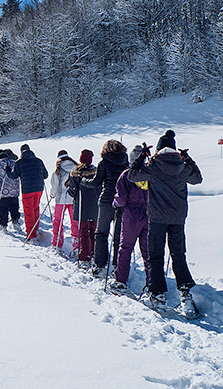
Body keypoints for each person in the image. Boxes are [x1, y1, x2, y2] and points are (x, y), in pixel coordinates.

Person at [127, 130, 202, 313]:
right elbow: (198, 179)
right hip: (177, 218)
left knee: (155, 256)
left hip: (157, 217)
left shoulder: (153, 166)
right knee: (178, 254)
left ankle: (157, 295)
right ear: (176, 150)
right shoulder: (182, 167)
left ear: (158, 149)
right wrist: (188, 159)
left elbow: (132, 175)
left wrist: (141, 157)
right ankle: (185, 295)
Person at [82, 140, 129, 277]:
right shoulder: (126, 163)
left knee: (101, 233)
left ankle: (100, 265)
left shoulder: (104, 162)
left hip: (106, 201)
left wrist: (83, 181)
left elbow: (96, 183)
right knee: (118, 235)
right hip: (122, 202)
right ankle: (117, 265)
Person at [110, 145, 150, 291]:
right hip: (149, 215)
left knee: (125, 248)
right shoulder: (151, 174)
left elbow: (120, 198)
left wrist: (116, 203)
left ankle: (121, 281)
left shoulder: (127, 175)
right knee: (148, 252)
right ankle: (152, 284)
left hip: (131, 215)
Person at [5, 144, 48, 243]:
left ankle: (31, 235)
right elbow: (45, 175)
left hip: (27, 189)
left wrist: (7, 170)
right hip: (39, 188)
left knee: (28, 211)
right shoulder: (39, 161)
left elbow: (13, 176)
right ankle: (36, 229)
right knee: (36, 208)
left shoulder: (19, 162)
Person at [67, 149, 100, 268]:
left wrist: (69, 188)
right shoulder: (96, 172)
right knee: (94, 231)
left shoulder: (75, 173)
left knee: (84, 232)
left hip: (82, 206)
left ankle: (85, 256)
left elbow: (72, 191)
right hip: (95, 206)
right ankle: (94, 253)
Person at [49, 150, 78, 253]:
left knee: (57, 221)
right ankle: (77, 246)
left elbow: (54, 186)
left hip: (61, 200)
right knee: (75, 222)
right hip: (74, 198)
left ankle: (57, 244)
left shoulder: (58, 170)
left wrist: (52, 195)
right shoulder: (76, 167)